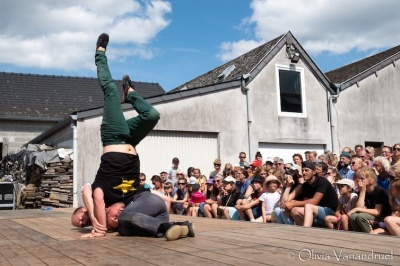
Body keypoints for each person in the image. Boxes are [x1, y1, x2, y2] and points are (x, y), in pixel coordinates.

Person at [73, 33, 193, 240]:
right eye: (82, 224)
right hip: (130, 142)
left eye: (81, 218)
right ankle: (130, 95)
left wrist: (98, 226)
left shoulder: (98, 189)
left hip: (112, 136)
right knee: (152, 115)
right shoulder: (125, 202)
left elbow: (91, 196)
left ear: (84, 209)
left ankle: (99, 54)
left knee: (110, 90)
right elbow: (143, 203)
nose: (84, 222)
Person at [281, 161, 339, 227]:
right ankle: (304, 231)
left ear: (314, 172)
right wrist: (289, 186)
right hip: (316, 211)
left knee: (309, 206)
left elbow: (314, 201)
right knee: (294, 210)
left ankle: (306, 231)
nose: (304, 173)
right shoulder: (305, 185)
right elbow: (286, 202)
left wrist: (293, 203)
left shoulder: (322, 181)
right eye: (302, 171)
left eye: (306, 170)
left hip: (329, 212)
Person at [347, 167, 391, 233]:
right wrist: (362, 192)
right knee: (353, 216)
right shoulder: (363, 190)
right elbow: (360, 207)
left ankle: (369, 236)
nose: (359, 180)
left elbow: (377, 212)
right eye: (359, 178)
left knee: (360, 217)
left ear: (371, 180)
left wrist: (357, 209)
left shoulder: (379, 191)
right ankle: (358, 235)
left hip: (382, 216)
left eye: (362, 178)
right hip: (370, 215)